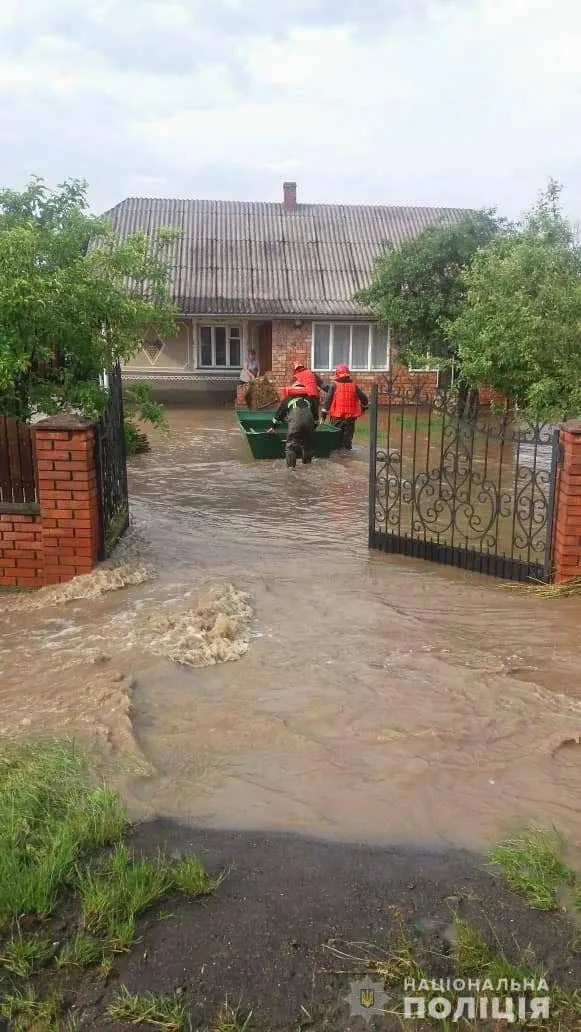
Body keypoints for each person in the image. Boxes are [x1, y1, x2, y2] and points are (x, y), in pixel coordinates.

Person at [267, 380, 317, 468]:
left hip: (295, 425)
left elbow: (278, 416)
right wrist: (313, 429)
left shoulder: (288, 399)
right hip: (309, 425)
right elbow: (316, 418)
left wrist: (273, 427)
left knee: (291, 446)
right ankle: (307, 467)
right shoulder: (311, 400)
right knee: (307, 445)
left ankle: (291, 470)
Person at [320, 364, 368, 450]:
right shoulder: (354, 385)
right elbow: (364, 399)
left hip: (337, 418)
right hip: (350, 419)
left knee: (335, 440)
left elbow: (327, 401)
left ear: (337, 374)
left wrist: (323, 415)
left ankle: (338, 459)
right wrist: (363, 408)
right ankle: (347, 457)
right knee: (347, 441)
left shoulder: (334, 385)